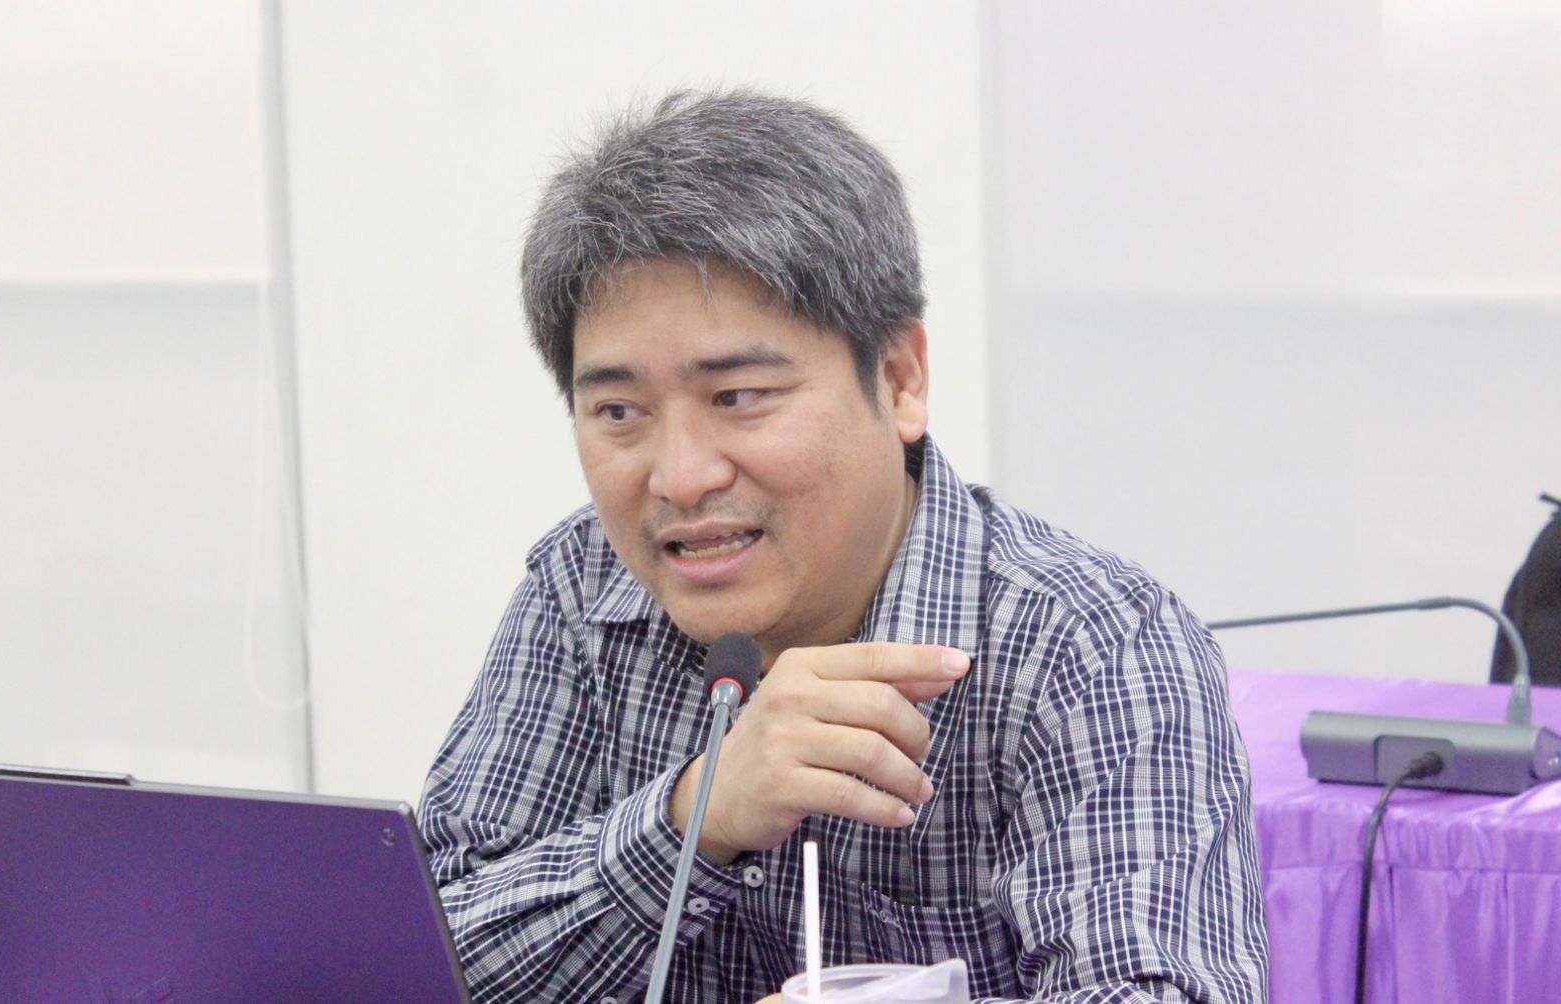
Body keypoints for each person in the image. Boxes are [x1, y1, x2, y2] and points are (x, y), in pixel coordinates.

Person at [419, 89, 1269, 1004]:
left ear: (899, 380)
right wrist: (694, 815)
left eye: (738, 397)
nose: (681, 477)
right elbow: (409, 953)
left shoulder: (1095, 647)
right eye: (620, 411)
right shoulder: (585, 586)